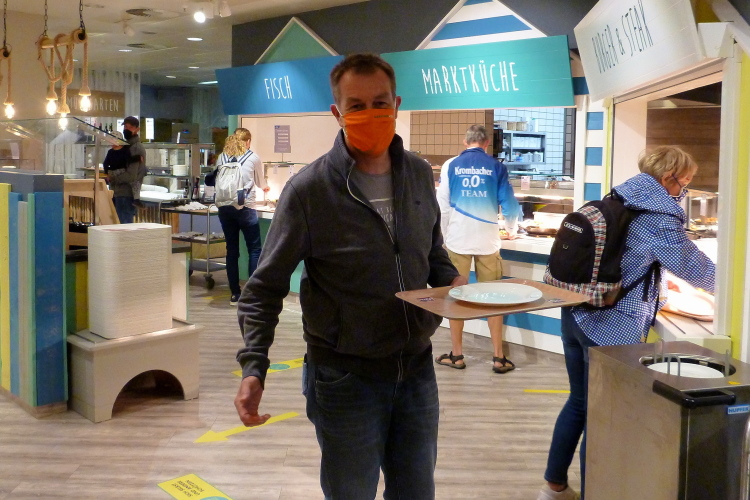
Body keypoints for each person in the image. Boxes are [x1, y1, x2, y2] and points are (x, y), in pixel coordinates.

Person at [234, 53, 465, 500]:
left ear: (396, 104)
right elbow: (263, 289)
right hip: (345, 378)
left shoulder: (419, 174)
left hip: (417, 370)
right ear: (337, 113)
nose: (370, 114)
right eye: (356, 106)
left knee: (417, 493)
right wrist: (253, 366)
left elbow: (432, 249)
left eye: (380, 103)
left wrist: (450, 279)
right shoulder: (310, 190)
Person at [537, 146, 716, 500]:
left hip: (576, 312)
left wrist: (660, 285)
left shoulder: (618, 197)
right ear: (668, 178)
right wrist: (738, 284)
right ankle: (594, 493)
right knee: (601, 416)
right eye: (684, 183)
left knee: (579, 403)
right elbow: (699, 269)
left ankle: (553, 486)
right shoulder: (659, 216)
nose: (683, 191)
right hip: (610, 326)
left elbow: (627, 260)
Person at [435, 124, 522, 374]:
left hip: (458, 241)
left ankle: (457, 355)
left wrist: (444, 236)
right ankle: (498, 357)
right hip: (488, 242)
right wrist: (511, 229)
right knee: (494, 300)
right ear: (486, 144)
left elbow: (442, 206)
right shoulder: (496, 166)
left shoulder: (451, 165)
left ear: (465, 142)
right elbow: (510, 205)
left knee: (456, 298)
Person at [215, 129, 268, 306]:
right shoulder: (253, 157)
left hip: (225, 208)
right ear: (248, 141)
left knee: (232, 251)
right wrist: (266, 188)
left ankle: (234, 293)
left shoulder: (222, 157)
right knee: (254, 249)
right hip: (245, 208)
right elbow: (260, 183)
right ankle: (251, 294)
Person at [108, 116, 147, 223]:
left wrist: (113, 178)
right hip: (119, 192)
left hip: (126, 194)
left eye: (130, 127)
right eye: (125, 127)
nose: (126, 129)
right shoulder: (126, 146)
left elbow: (131, 175)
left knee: (124, 226)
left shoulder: (136, 147)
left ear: (137, 129)